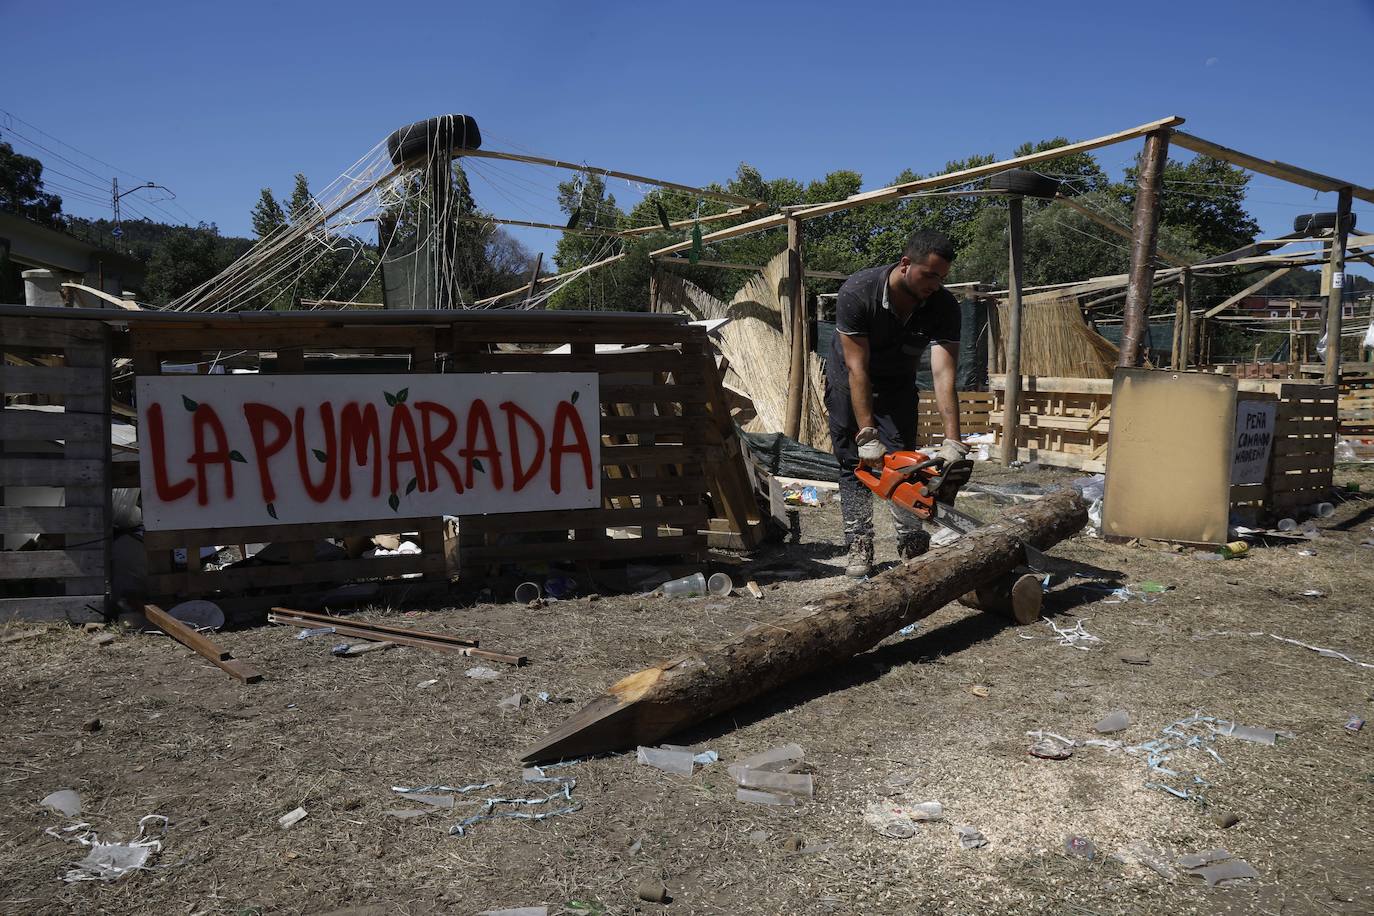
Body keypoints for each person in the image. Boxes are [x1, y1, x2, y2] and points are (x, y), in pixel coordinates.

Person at [825, 229, 972, 578]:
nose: (935, 284)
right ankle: (859, 543)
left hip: (898, 383)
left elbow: (943, 374)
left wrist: (953, 439)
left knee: (905, 462)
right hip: (850, 379)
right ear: (906, 264)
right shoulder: (859, 293)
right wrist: (867, 434)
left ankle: (911, 543)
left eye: (943, 277)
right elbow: (857, 368)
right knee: (854, 462)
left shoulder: (943, 305)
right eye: (930, 275)